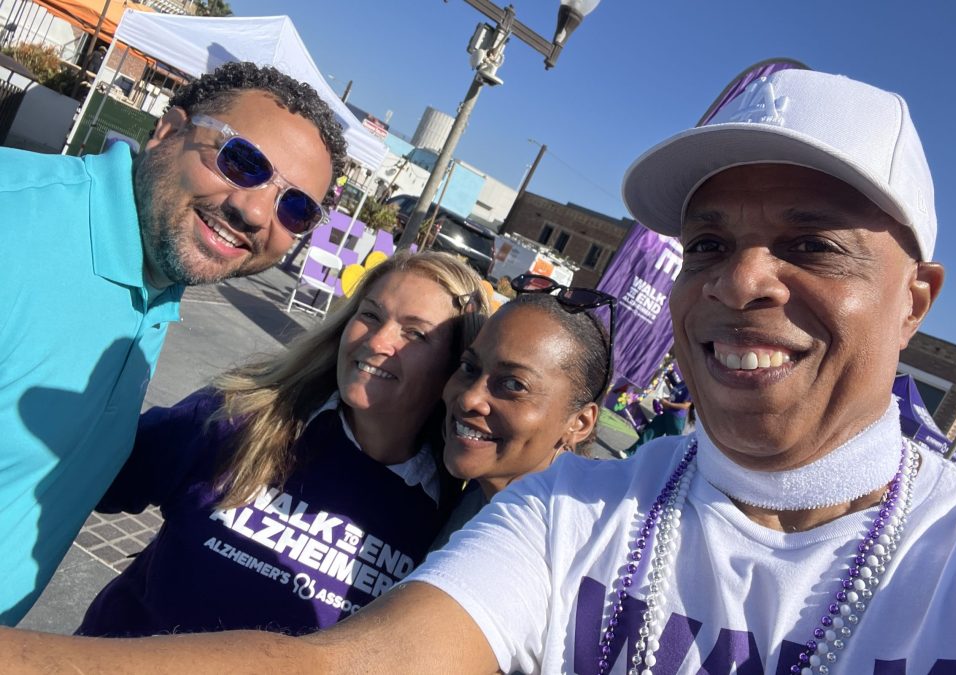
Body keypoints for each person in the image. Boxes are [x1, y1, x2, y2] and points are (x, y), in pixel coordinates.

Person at [3, 66, 956, 674]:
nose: (745, 278)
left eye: (812, 243)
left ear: (916, 300)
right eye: (708, 243)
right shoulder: (571, 517)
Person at [0, 61, 348, 624]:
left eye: (295, 208)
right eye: (242, 161)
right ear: (168, 130)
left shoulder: (154, 282)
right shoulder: (14, 218)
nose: (255, 211)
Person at [76, 251, 489, 637]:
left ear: (456, 369)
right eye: (370, 314)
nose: (378, 341)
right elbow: (83, 476)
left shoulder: (448, 518)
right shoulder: (244, 416)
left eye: (414, 334)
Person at [431, 282, 612, 549]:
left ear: (579, 423)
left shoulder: (555, 552)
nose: (470, 398)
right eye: (469, 367)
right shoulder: (479, 494)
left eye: (514, 384)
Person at [626, 370, 692, 455]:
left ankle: (667, 462)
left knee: (672, 444)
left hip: (676, 418)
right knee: (650, 432)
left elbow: (686, 406)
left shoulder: (691, 388)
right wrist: (668, 387)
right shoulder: (683, 382)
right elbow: (676, 395)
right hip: (666, 412)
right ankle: (631, 452)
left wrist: (668, 404)